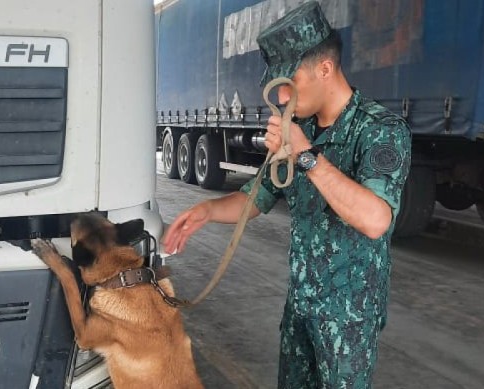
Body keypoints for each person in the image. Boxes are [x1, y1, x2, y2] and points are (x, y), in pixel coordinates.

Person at [161, 1, 411, 388]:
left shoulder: (379, 130)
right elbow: (255, 199)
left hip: (348, 319)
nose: (280, 98)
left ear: (324, 69)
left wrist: (307, 156)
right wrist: (207, 211)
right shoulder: (301, 128)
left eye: (288, 82)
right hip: (301, 307)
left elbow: (376, 220)